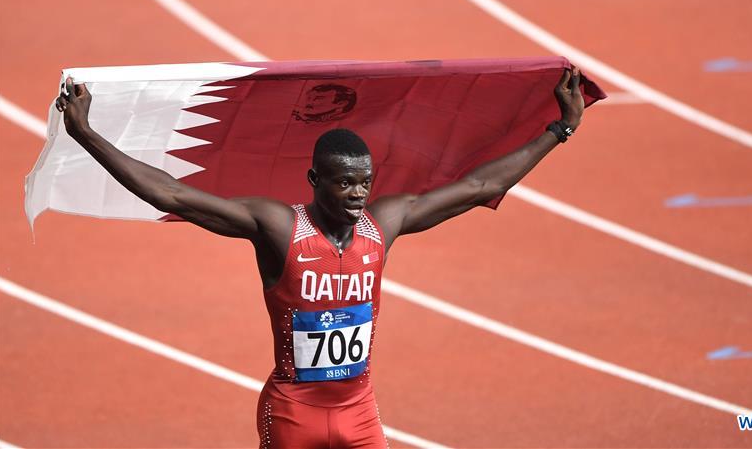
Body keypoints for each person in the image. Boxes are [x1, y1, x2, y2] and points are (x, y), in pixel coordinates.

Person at [54, 66, 586, 448]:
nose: (357, 194)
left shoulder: (384, 224)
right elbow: (173, 194)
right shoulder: (278, 226)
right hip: (292, 417)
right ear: (315, 182)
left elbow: (479, 185)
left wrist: (558, 131)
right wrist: (85, 133)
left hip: (359, 416)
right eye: (345, 184)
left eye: (364, 184)